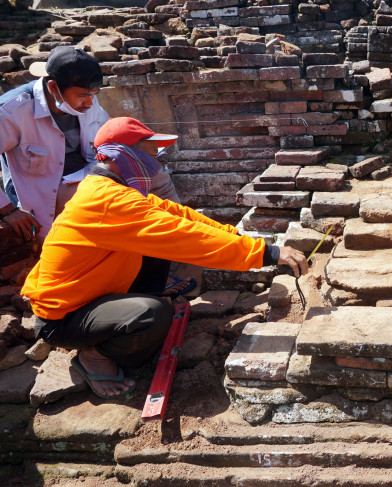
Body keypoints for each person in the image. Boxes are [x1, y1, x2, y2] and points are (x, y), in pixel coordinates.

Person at [21, 117, 309, 399]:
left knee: (157, 244)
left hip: (89, 296)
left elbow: (178, 216)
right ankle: (95, 357)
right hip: (62, 318)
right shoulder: (108, 201)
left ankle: (129, 308)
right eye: (148, 154)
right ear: (122, 155)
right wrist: (266, 253)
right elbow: (184, 236)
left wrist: (237, 237)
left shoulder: (116, 190)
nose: (155, 163)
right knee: (153, 314)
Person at [0, 45, 178, 242]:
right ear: (53, 88)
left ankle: (174, 236)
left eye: (93, 94)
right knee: (114, 202)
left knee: (155, 172)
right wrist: (7, 210)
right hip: (46, 191)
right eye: (83, 95)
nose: (90, 103)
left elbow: (106, 137)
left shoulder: (86, 101)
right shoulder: (12, 111)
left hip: (88, 173)